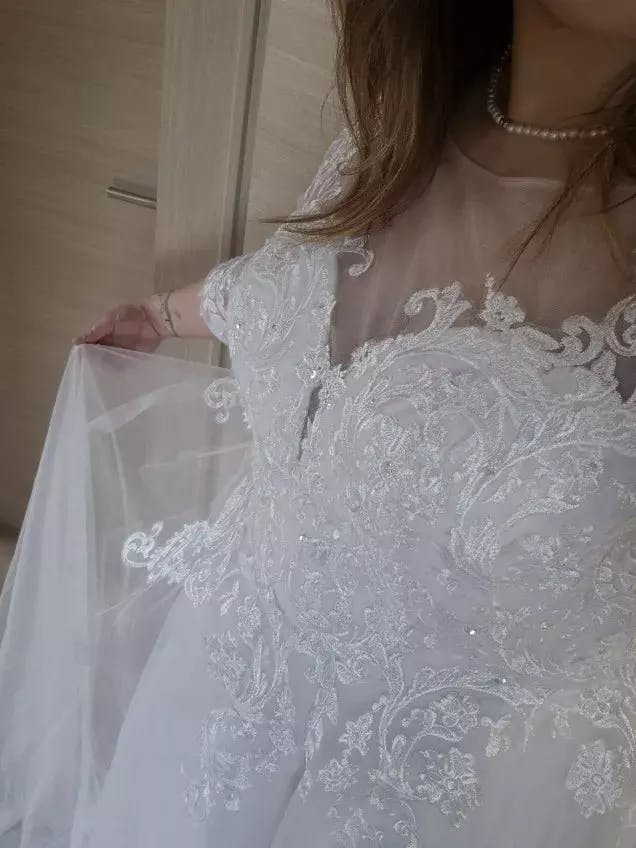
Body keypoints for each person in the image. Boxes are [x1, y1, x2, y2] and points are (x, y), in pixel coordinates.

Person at [2, 1, 636, 846]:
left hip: (463, 791)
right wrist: (161, 315)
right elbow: (301, 283)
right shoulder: (403, 125)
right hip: (226, 688)